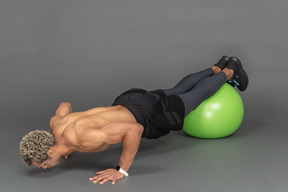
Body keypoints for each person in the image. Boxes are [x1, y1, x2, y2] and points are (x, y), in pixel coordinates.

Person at [19, 56, 248, 185]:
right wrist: (66, 148)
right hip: (129, 99)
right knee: (175, 90)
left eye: (43, 165)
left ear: (50, 152)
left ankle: (230, 71)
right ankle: (217, 66)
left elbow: (134, 129)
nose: (45, 168)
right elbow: (64, 105)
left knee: (193, 98)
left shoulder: (87, 141)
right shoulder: (56, 124)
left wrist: (122, 170)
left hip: (145, 115)